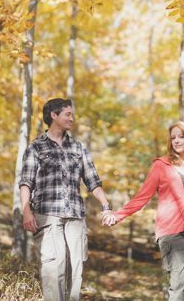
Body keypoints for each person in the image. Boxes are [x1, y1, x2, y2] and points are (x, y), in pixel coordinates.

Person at [104, 121, 184, 301]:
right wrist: (118, 215)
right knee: (180, 281)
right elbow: (142, 196)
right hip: (171, 230)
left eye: (181, 136)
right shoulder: (161, 165)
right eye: (173, 138)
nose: (177, 141)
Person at [19, 98, 114, 301]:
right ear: (54, 115)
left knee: (75, 268)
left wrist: (106, 205)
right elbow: (26, 182)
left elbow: (93, 181)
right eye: (67, 114)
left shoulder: (78, 148)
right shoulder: (36, 147)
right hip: (47, 216)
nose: (72, 118)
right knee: (54, 268)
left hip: (75, 216)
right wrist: (26, 211)